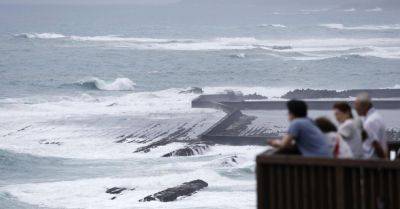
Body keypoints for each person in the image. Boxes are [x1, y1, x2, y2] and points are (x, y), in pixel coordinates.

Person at [268, 100, 332, 157]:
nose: (287, 114)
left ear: (292, 113)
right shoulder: (309, 121)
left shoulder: (297, 123)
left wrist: (274, 142)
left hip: (317, 162)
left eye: (289, 112)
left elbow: (284, 144)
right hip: (326, 159)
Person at [354, 93, 388, 159]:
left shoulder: (370, 122)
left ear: (364, 106)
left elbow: (376, 144)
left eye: (356, 105)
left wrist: (385, 161)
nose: (355, 108)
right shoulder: (376, 116)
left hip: (372, 164)